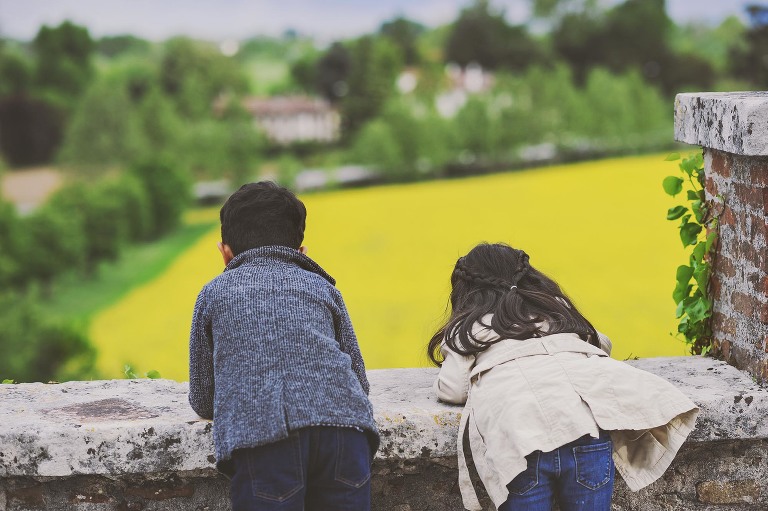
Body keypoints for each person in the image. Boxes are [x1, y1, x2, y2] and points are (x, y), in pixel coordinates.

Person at [427, 242, 699, 511]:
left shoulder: (469, 327)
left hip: (522, 444)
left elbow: (453, 389)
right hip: (586, 435)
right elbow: (600, 345)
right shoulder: (554, 308)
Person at [188, 181, 379, 511]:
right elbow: (359, 381)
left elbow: (205, 400)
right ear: (301, 253)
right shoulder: (322, 287)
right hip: (346, 435)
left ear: (225, 253)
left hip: (265, 438)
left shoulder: (213, 294)